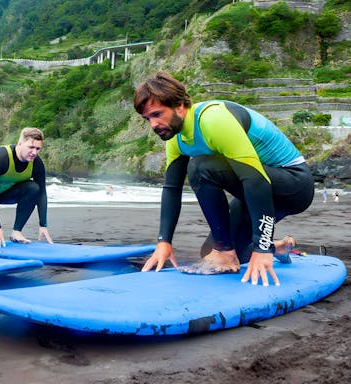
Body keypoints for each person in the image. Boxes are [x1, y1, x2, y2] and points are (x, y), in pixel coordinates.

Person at [133, 71, 314, 287]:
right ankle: (280, 248)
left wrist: (261, 248)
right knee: (212, 252)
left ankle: (246, 249)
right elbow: (172, 189)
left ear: (179, 106)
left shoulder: (213, 120)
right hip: (254, 192)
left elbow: (256, 180)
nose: (153, 125)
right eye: (147, 119)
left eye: (156, 114)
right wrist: (164, 242)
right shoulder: (176, 138)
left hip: (294, 185)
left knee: (200, 166)